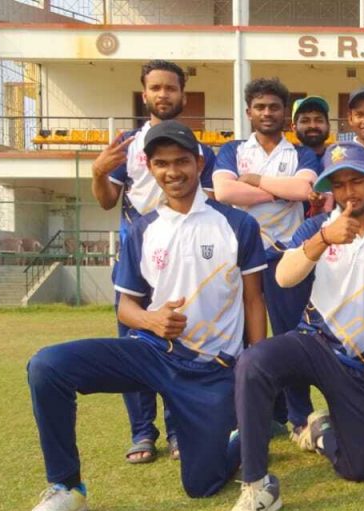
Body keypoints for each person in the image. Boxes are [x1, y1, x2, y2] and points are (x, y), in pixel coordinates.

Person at [14, 121, 267, 511]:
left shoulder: (237, 224)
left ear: (199, 163)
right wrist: (152, 320)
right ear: (149, 167)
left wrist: (257, 369)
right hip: (152, 353)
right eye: (162, 163)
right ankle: (66, 489)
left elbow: (254, 300)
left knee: (201, 486)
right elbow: (127, 307)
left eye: (181, 161)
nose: (173, 172)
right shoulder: (142, 229)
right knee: (48, 366)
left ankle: (241, 436)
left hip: (212, 369)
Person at [221, 142, 364, 511]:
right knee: (254, 362)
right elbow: (282, 277)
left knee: (359, 469)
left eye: (357, 181)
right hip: (315, 341)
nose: (349, 192)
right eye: (339, 185)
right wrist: (324, 239)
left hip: (361, 364)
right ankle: (256, 486)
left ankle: (321, 431)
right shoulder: (316, 227)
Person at [91, 59, 217, 464]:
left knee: (180, 342)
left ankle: (180, 430)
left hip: (182, 262)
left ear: (183, 95)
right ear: (144, 93)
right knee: (134, 346)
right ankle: (142, 431)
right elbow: (107, 200)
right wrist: (98, 173)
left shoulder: (199, 149)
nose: (163, 94)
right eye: (156, 88)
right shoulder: (126, 145)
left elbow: (209, 204)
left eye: (170, 88)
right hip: (137, 259)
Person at [213, 78, 321, 441]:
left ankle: (299, 416)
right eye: (260, 107)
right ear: (249, 112)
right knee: (243, 337)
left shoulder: (302, 154)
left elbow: (303, 189)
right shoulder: (232, 149)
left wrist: (256, 180)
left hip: (284, 255)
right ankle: (251, 415)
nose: (267, 113)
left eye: (274, 107)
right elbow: (224, 191)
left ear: (284, 113)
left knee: (290, 336)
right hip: (240, 256)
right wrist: (279, 192)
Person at [292, 95, 334, 217]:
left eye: (319, 120)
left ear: (328, 126)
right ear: (294, 128)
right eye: (305, 121)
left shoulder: (338, 159)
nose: (313, 126)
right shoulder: (286, 158)